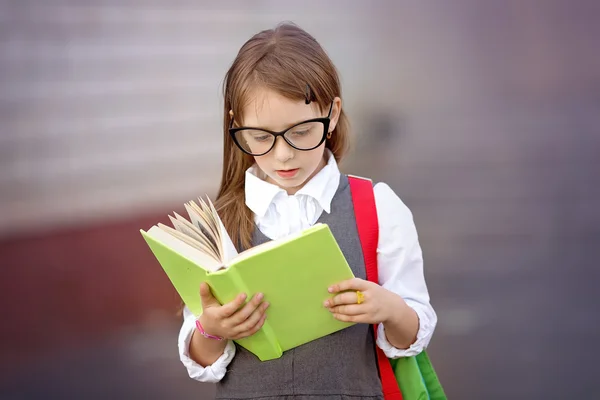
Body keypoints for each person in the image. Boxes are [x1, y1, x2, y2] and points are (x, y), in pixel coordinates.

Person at [177, 22, 437, 399]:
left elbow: (413, 334)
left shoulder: (378, 206)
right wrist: (212, 329)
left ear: (331, 115)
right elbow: (202, 362)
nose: (283, 154)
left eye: (301, 132)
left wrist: (390, 309)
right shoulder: (215, 225)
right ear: (236, 126)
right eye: (262, 137)